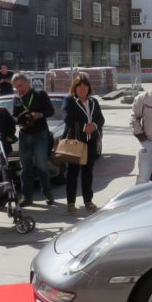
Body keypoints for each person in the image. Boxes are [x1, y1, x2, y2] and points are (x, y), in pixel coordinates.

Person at [10, 74, 55, 206]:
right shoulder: (17, 98)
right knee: (25, 168)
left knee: (42, 166)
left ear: (27, 82)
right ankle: (27, 197)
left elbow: (50, 111)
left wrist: (39, 114)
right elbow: (13, 117)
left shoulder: (40, 94)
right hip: (24, 135)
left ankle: (47, 193)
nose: (19, 89)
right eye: (16, 87)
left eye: (20, 86)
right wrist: (20, 119)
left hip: (40, 134)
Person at [63, 74, 106, 213]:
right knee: (72, 173)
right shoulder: (69, 100)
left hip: (91, 141)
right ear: (74, 88)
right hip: (76, 141)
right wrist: (83, 127)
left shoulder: (93, 101)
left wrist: (93, 125)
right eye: (79, 86)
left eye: (85, 86)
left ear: (89, 87)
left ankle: (88, 200)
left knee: (88, 173)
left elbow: (101, 119)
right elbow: (67, 118)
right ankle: (70, 203)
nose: (82, 89)